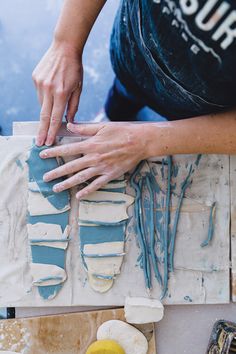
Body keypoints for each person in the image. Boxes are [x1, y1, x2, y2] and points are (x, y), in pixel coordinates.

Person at [33, 0, 236, 200]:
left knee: (160, 123)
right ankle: (114, 116)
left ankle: (130, 128)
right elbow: (66, 41)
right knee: (123, 95)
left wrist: (146, 141)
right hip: (134, 51)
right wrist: (66, 43)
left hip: (202, 108)